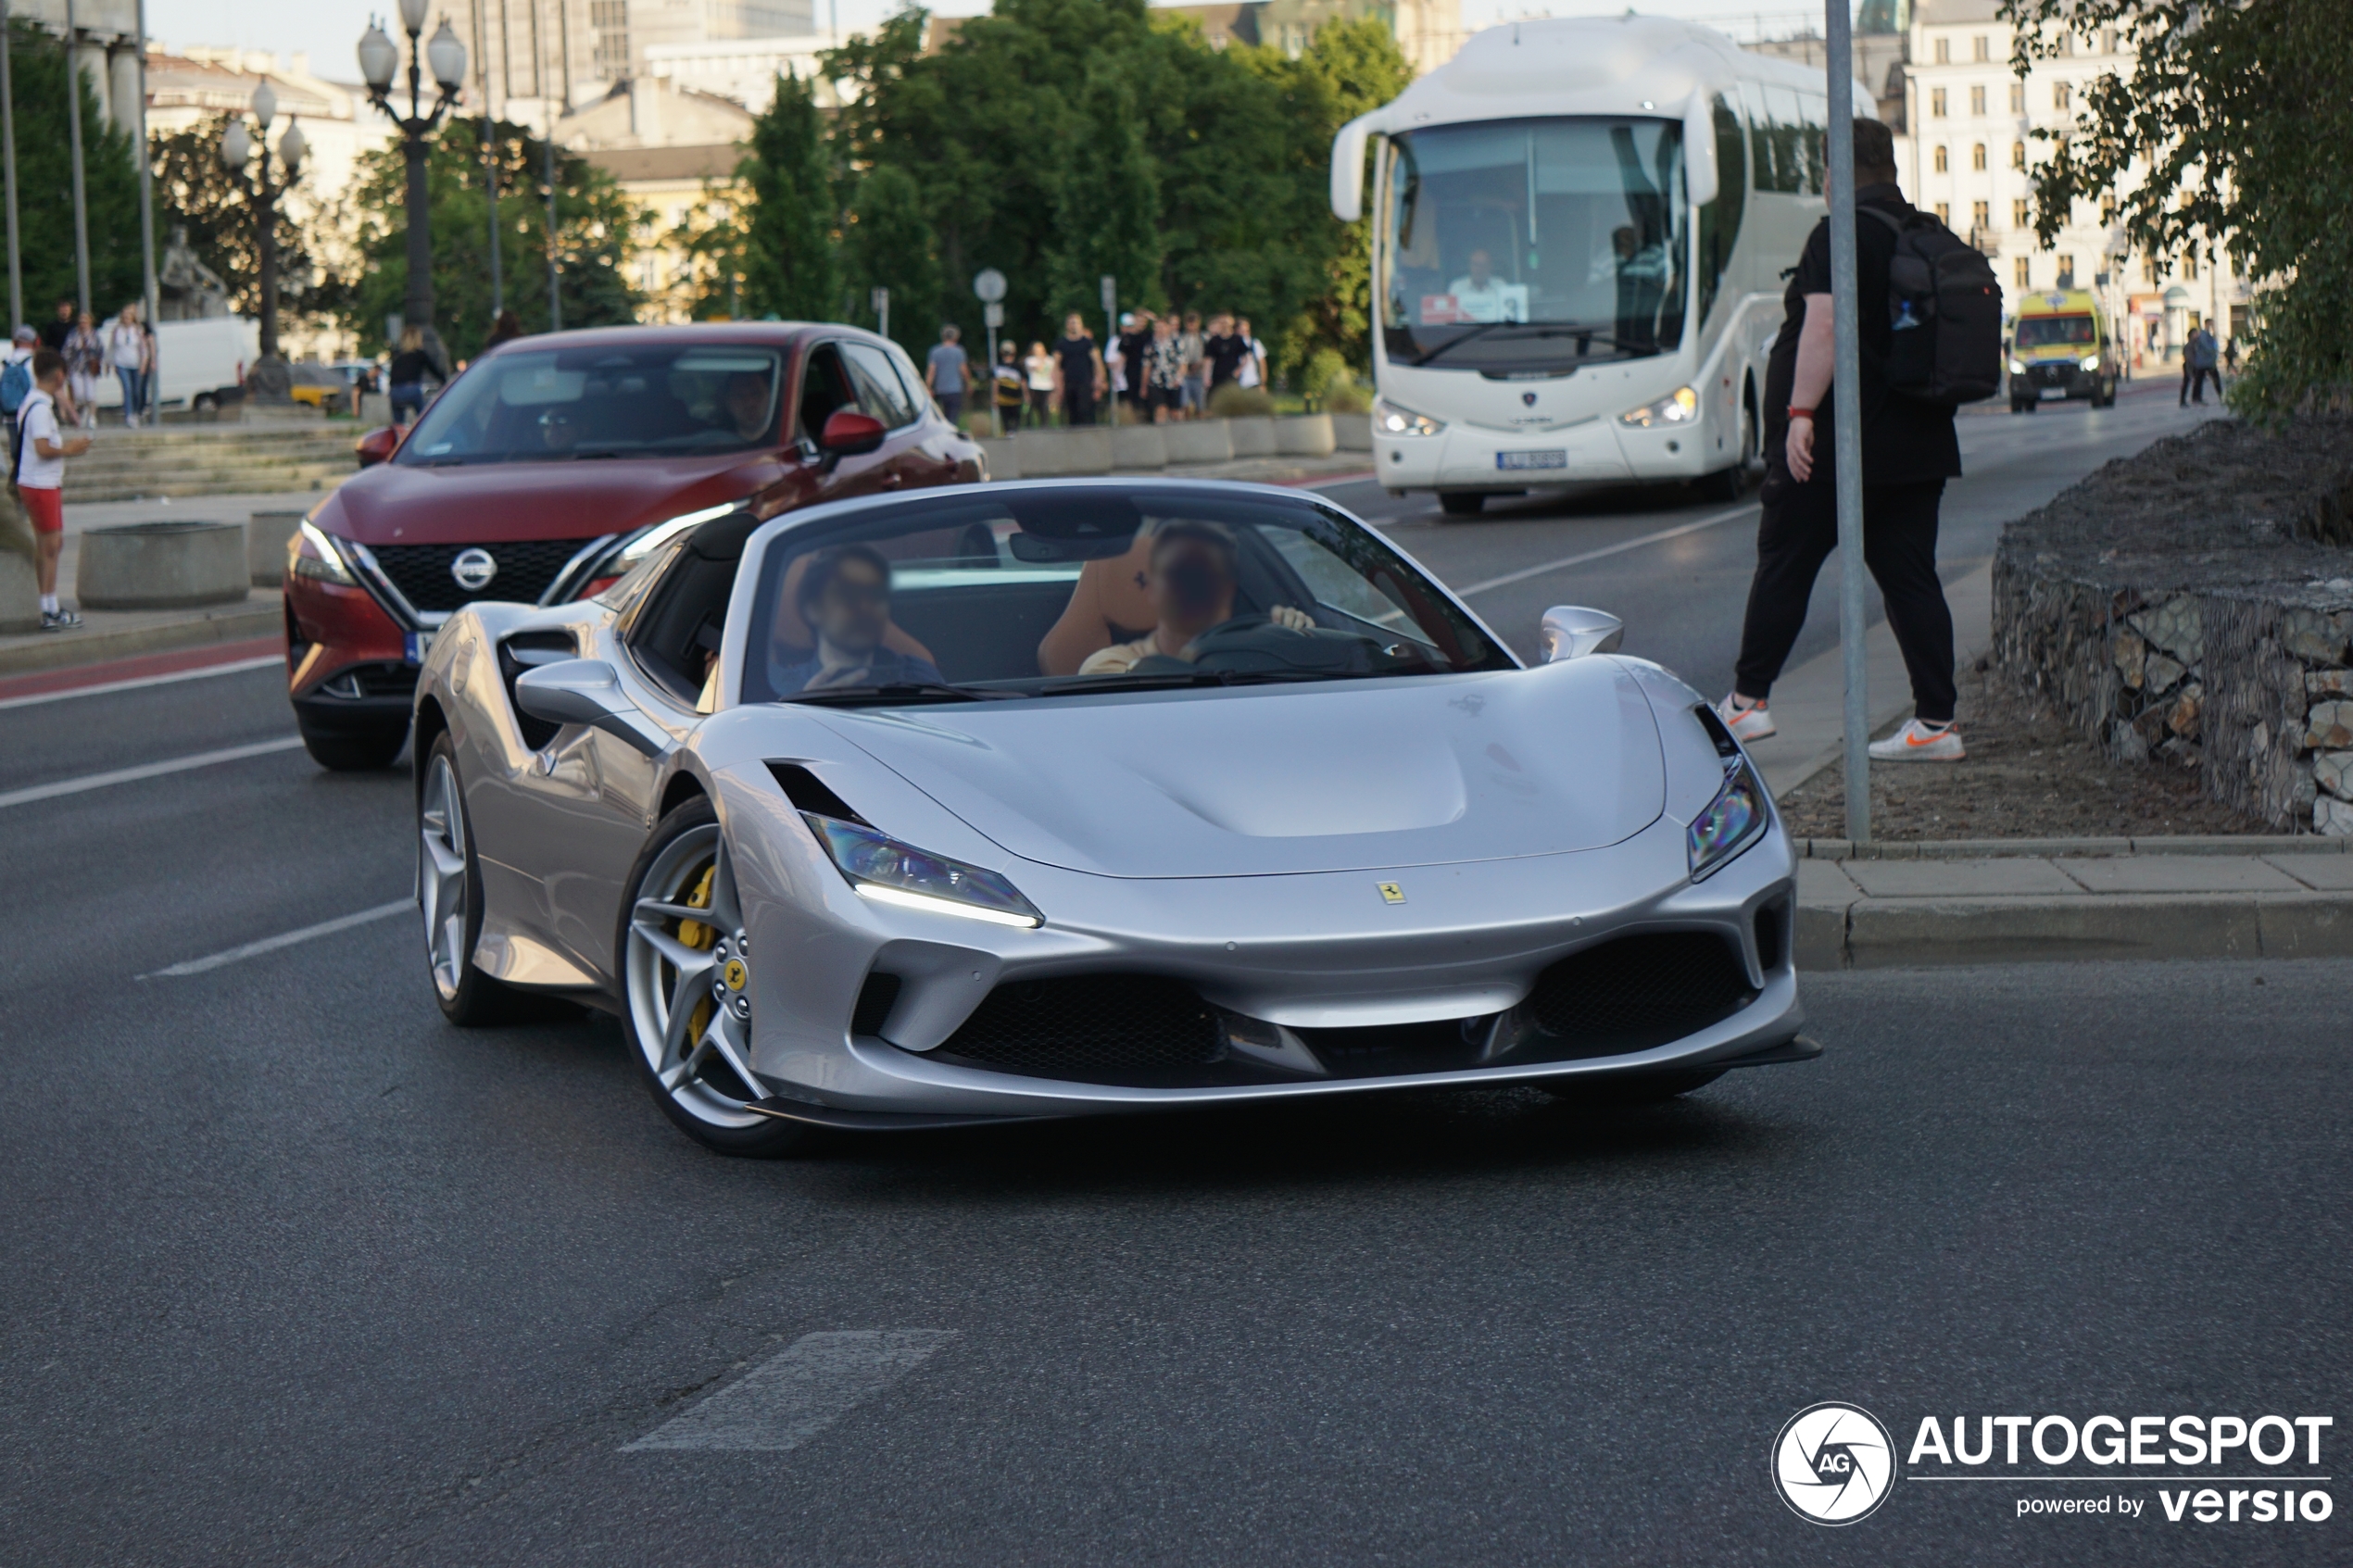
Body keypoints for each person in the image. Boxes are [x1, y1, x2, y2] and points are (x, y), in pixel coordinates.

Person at [1718, 117, 1966, 763]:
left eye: (1826, 170)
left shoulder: (1840, 233)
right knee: (1912, 577)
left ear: (1837, 173)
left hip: (1839, 446)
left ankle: (1748, 703)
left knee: (1784, 561)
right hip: (1918, 440)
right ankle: (1937, 722)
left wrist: (1800, 411)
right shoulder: (1924, 231)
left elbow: (1823, 327)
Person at [1074, 521, 1310, 675]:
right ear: (1153, 590)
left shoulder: (1258, 657)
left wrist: (1292, 638)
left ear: (1228, 591)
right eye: (1180, 574)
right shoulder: (1109, 666)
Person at [768, 545, 945, 695]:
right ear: (813, 609)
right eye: (848, 595)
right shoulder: (784, 691)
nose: (864, 607)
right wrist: (805, 709)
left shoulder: (919, 676)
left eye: (874, 594)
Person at [17, 349, 92, 632]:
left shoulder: (34, 402)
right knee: (51, 547)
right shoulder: (39, 409)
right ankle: (49, 609)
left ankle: (48, 605)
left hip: (36, 483)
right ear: (59, 375)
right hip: (41, 484)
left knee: (48, 547)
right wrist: (70, 450)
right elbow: (42, 448)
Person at [1444, 249, 1529, 324]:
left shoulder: (1500, 285)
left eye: (1484, 265)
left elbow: (1509, 314)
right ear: (1470, 266)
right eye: (1476, 265)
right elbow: (1450, 319)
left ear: (1490, 267)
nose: (1480, 269)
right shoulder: (1457, 287)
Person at [1051, 313, 1104, 427]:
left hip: (1085, 383)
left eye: (1076, 323)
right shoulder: (1061, 344)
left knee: (1085, 412)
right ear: (1067, 325)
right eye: (1071, 323)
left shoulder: (1088, 343)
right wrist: (1057, 386)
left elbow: (1098, 363)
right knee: (1072, 415)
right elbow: (1056, 366)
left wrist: (1099, 382)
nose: (1074, 325)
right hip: (1069, 383)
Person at [104, 305, 151, 428]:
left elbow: (143, 349)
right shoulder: (117, 331)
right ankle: (129, 415)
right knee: (127, 388)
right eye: (124, 317)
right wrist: (108, 363)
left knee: (136, 390)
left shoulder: (138, 330)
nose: (126, 320)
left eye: (128, 317)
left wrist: (143, 364)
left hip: (135, 363)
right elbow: (112, 348)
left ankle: (136, 412)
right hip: (121, 363)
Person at [62, 310, 102, 431]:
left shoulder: (94, 335)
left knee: (90, 394)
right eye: (81, 321)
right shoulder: (73, 334)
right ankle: (84, 411)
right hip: (76, 367)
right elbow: (66, 350)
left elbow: (100, 350)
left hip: (90, 367)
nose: (83, 323)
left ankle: (92, 417)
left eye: (85, 321)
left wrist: (97, 360)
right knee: (79, 394)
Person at [925, 324, 970, 428]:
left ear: (943, 336)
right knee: (954, 415)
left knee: (944, 413)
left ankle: (947, 432)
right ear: (956, 337)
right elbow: (964, 370)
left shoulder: (935, 352)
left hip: (941, 389)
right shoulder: (959, 351)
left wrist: (928, 387)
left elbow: (931, 371)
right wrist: (968, 384)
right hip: (955, 389)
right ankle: (952, 433)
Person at [387, 325, 433, 426]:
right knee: (424, 418)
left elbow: (392, 376)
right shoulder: (420, 355)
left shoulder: (397, 354)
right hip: (411, 389)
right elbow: (434, 370)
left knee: (398, 423)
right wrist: (445, 381)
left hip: (395, 392)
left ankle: (398, 433)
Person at [1114, 311, 1154, 423]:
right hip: (1132, 372)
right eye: (1139, 321)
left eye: (1144, 322)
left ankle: (1149, 419)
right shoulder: (1127, 338)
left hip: (1148, 372)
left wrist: (1153, 318)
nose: (1141, 324)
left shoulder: (1149, 336)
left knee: (1148, 399)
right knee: (1134, 400)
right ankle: (1138, 420)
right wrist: (1117, 374)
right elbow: (1122, 357)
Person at [1146, 315, 1185, 423]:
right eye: (1157, 327)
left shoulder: (1176, 343)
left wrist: (1179, 377)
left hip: (1173, 380)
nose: (1160, 330)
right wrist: (1144, 385)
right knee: (1160, 409)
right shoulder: (1151, 345)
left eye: (1162, 327)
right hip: (1157, 381)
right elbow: (1147, 366)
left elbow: (1182, 362)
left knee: (1175, 412)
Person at [1202, 313, 1250, 395]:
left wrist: (1238, 371)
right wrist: (1206, 377)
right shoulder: (1214, 341)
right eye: (1222, 323)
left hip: (1232, 377)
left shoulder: (1237, 339)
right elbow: (1208, 360)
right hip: (1217, 376)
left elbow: (1245, 358)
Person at [2182, 321, 2221, 407]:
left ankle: (2195, 398)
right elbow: (2190, 356)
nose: (2197, 335)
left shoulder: (2197, 341)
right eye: (2195, 333)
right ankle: (2185, 401)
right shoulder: (2192, 343)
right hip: (2193, 365)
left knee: (2196, 382)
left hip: (2198, 364)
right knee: (2188, 383)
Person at [1176, 311, 1206, 419]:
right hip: (1186, 374)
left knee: (1200, 405)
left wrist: (1200, 364)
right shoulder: (1181, 338)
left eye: (1194, 323)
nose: (1191, 326)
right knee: (1185, 404)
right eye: (1189, 323)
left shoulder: (1203, 338)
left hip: (1199, 374)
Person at [991, 341, 1026, 433]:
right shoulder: (999, 367)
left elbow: (1023, 382)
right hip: (1004, 399)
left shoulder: (1017, 366)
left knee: (1015, 419)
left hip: (1015, 398)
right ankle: (1009, 433)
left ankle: (1013, 433)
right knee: (1006, 420)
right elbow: (995, 383)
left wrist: (1026, 396)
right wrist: (995, 397)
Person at [1023, 340, 1056, 428]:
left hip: (1046, 386)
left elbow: (1053, 372)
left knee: (1044, 407)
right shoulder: (1030, 360)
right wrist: (1042, 360)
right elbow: (1038, 368)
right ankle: (1029, 425)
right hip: (1034, 386)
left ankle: (1045, 424)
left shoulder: (1050, 360)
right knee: (1032, 406)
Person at [1234, 317, 1267, 391]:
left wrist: (1263, 383)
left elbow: (1262, 363)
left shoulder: (1254, 343)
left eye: (1247, 331)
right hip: (1236, 383)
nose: (1245, 333)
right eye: (1242, 331)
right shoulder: (1232, 344)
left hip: (1253, 382)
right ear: (1236, 331)